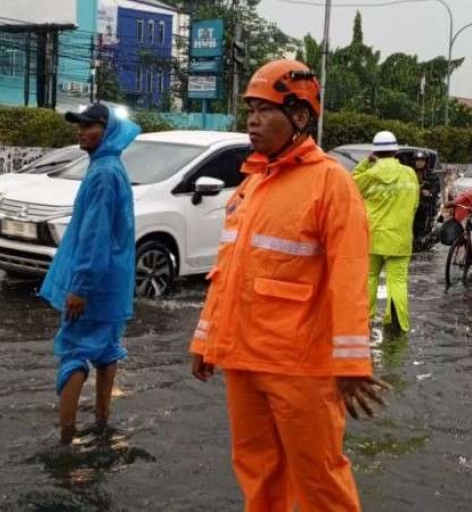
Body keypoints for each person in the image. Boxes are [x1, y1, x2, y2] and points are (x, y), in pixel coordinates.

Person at [189, 59, 390, 512]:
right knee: (257, 472)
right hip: (243, 357)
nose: (253, 121)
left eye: (265, 110)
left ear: (300, 116)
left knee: (319, 479)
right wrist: (206, 339)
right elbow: (227, 272)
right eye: (250, 111)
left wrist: (352, 362)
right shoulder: (252, 183)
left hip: (301, 366)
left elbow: (349, 276)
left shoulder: (330, 183)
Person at [38, 103, 140, 445]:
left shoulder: (102, 174)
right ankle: (102, 420)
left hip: (93, 282)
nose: (81, 131)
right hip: (113, 281)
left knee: (74, 351)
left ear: (107, 130)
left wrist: (80, 286)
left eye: (89, 125)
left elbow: (94, 235)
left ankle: (66, 436)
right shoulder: (111, 167)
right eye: (79, 125)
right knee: (107, 348)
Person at [352, 131, 419, 332]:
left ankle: (366, 319)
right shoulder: (409, 173)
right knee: (398, 281)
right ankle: (398, 322)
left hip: (373, 236)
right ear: (395, 151)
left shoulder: (369, 175)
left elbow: (350, 185)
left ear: (375, 153)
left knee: (370, 277)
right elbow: (415, 204)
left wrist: (365, 164)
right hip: (400, 238)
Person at [412, 150, 442, 243]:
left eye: (422, 160)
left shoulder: (432, 175)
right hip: (411, 202)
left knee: (422, 219)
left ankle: (422, 238)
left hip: (425, 203)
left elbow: (436, 188)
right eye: (417, 160)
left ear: (426, 161)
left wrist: (429, 192)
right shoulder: (410, 173)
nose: (419, 162)